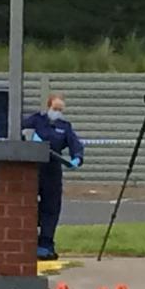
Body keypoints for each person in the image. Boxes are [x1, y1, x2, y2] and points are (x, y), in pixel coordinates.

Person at [22, 94, 84, 261]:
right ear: (48, 107)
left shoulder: (65, 126)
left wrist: (77, 157)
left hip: (52, 169)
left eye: (60, 110)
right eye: (55, 109)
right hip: (33, 168)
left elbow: (75, 144)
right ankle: (28, 242)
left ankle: (45, 245)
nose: (57, 112)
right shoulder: (37, 120)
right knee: (28, 206)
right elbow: (17, 130)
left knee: (51, 208)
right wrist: (27, 138)